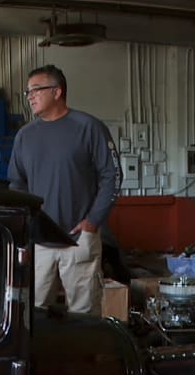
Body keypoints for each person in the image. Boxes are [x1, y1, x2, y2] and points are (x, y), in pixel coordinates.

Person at [8, 64, 122, 315]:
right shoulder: (25, 136)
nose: (30, 97)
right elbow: (17, 184)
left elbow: (112, 176)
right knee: (30, 312)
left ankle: (84, 356)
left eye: (36, 90)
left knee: (84, 313)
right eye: (28, 92)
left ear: (57, 92)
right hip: (38, 241)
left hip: (79, 239)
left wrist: (93, 222)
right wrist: (25, 225)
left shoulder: (89, 128)